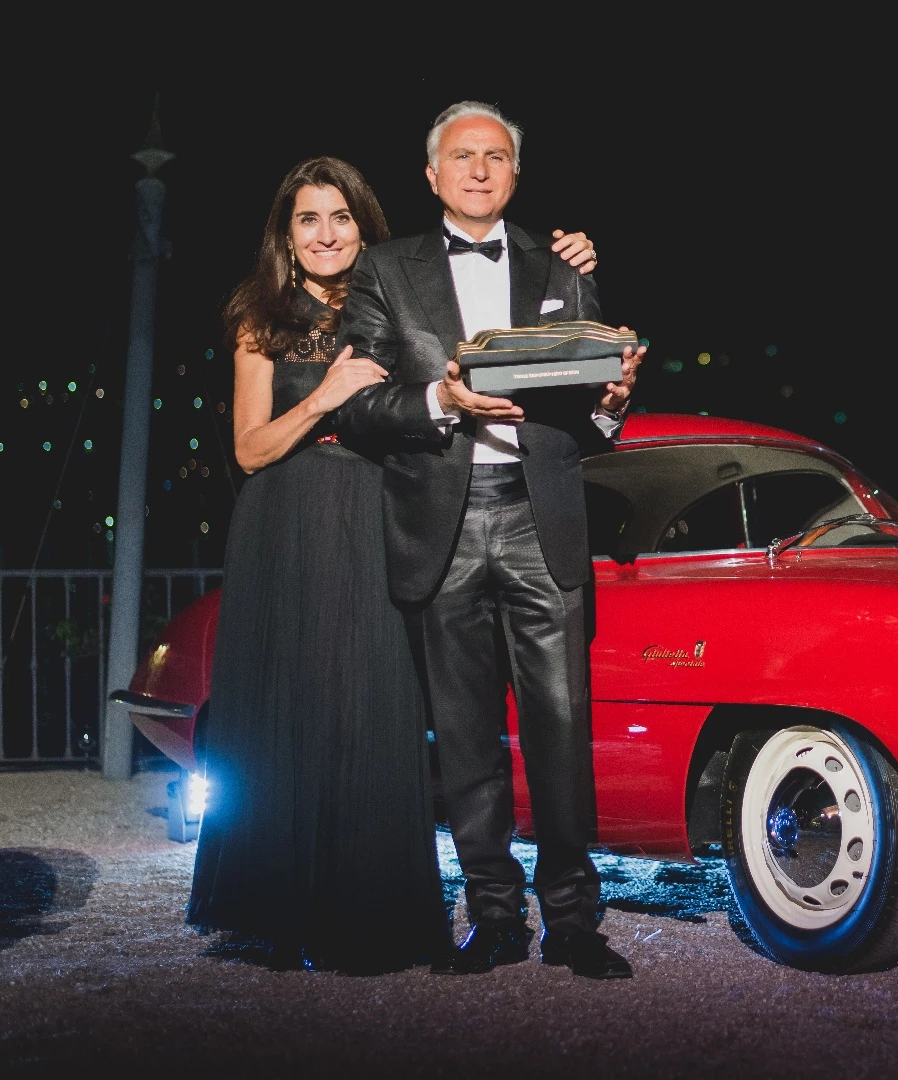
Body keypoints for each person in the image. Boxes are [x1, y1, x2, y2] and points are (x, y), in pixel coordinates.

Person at [187, 154, 600, 974]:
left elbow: (503, 347)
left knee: (376, 713)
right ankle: (284, 908)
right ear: (287, 235)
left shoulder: (399, 292)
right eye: (308, 219)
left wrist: (573, 266)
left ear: (364, 227)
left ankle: (370, 911)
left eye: (340, 217)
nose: (326, 233)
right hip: (290, 521)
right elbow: (247, 447)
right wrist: (324, 396)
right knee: (290, 713)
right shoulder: (259, 316)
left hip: (384, 513)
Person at [334, 101, 645, 980]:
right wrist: (441, 402)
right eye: (462, 157)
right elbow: (356, 402)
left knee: (561, 729)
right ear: (432, 175)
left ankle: (576, 923)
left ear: (515, 173)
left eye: (496, 156)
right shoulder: (385, 271)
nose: (479, 169)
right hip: (442, 523)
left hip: (541, 515)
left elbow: (590, 407)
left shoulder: (564, 264)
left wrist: (614, 401)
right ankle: (495, 917)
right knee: (465, 739)